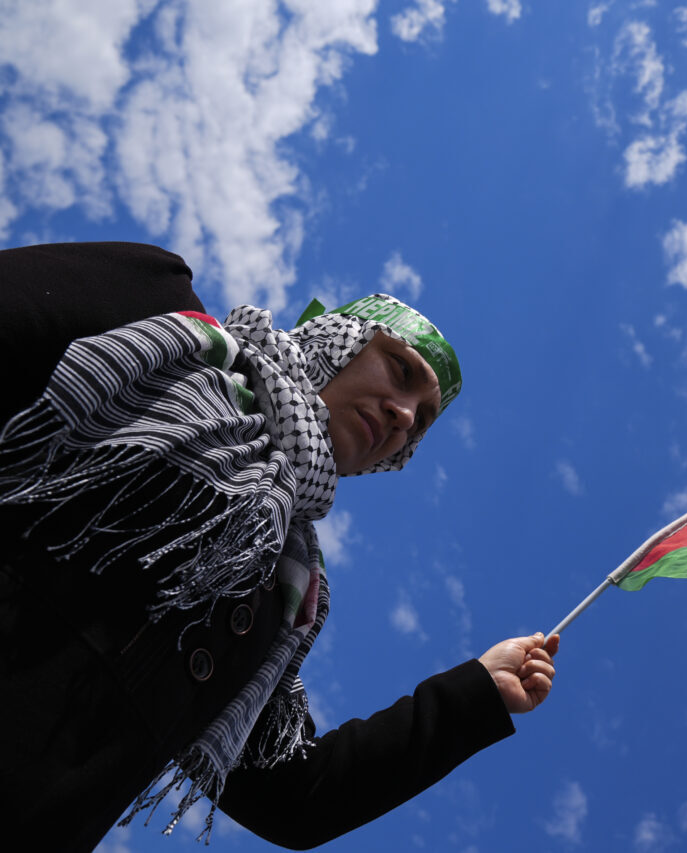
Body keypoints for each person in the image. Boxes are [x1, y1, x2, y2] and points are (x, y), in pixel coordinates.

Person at [0, 242, 558, 850]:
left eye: (420, 422)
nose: (403, 417)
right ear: (338, 340)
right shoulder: (159, 314)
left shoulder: (285, 589)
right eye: (401, 371)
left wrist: (477, 691)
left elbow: (295, 794)